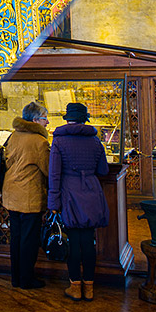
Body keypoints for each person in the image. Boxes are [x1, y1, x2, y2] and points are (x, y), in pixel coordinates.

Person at [48, 102, 109, 301]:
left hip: (69, 193)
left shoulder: (59, 141)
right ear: (85, 119)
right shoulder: (95, 141)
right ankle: (89, 287)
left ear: (68, 118)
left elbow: (54, 175)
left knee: (73, 242)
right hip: (91, 191)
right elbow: (104, 170)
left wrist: (53, 204)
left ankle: (75, 286)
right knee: (88, 242)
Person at [2, 101, 50, 289]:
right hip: (29, 196)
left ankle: (16, 278)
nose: (47, 122)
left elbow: (7, 161)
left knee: (16, 238)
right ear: (36, 120)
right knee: (29, 241)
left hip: (11, 194)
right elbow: (47, 169)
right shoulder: (40, 142)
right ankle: (27, 279)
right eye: (45, 118)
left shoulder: (14, 136)